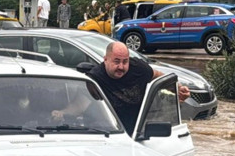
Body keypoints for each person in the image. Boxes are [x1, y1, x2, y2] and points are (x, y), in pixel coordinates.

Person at [52, 42, 190, 135]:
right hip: (107, 134)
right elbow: (79, 105)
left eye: (125, 61)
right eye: (116, 61)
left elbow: (159, 78)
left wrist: (177, 89)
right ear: (106, 59)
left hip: (138, 133)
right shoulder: (95, 78)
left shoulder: (139, 68)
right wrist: (62, 113)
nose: (121, 67)